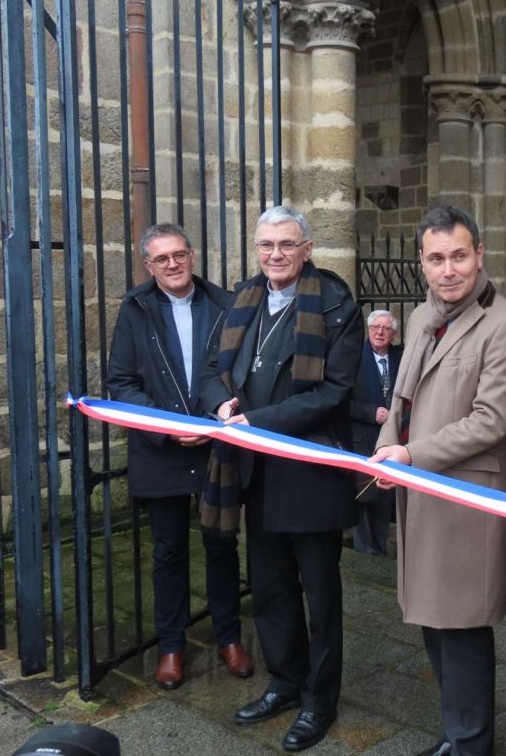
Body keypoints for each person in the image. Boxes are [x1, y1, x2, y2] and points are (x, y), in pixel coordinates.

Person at [369, 206, 506, 756]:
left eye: (459, 256)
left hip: (465, 497)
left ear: (479, 255)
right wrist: (385, 446)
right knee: (432, 622)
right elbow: (401, 397)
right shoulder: (419, 318)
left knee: (461, 628)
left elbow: (490, 421)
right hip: (418, 490)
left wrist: (408, 453)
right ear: (421, 262)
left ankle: (471, 745)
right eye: (436, 258)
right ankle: (458, 735)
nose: (449, 269)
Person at [199, 205, 362, 752]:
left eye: (286, 245)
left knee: (320, 597)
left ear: (307, 248)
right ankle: (285, 683)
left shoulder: (337, 303)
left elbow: (333, 391)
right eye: (266, 245)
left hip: (310, 474)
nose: (275, 255)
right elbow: (209, 372)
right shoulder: (239, 301)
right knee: (269, 590)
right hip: (255, 474)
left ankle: (320, 701)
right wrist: (220, 403)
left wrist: (257, 422)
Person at [106, 223, 252, 690]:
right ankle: (171, 645)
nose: (173, 264)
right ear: (149, 266)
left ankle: (229, 637)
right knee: (168, 552)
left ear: (192, 255)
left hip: (217, 447)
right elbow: (121, 382)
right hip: (161, 449)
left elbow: (238, 372)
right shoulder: (136, 309)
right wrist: (169, 428)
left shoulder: (225, 304)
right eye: (161, 258)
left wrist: (219, 414)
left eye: (179, 254)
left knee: (221, 544)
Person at [349, 309, 402, 555]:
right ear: (368, 330)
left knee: (384, 497)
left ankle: (379, 550)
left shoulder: (400, 358)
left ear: (394, 334)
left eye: (386, 328)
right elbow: (341, 401)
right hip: (362, 439)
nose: (380, 332)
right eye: (375, 327)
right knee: (362, 497)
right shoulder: (353, 357)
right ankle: (363, 552)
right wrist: (372, 413)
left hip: (390, 440)